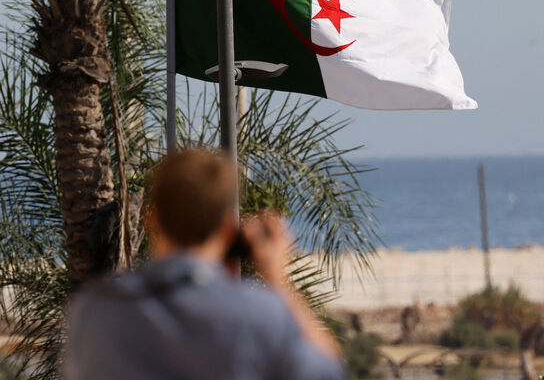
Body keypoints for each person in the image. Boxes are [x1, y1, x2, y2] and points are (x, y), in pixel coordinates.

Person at [62, 148, 345, 380]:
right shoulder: (260, 314)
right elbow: (329, 372)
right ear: (226, 228)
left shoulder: (96, 310)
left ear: (152, 220)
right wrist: (278, 281)